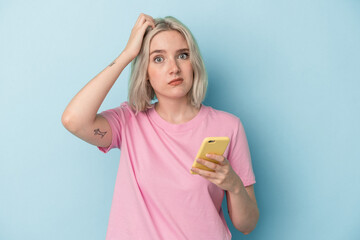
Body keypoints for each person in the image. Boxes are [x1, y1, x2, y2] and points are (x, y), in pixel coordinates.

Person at [61, 13, 259, 240]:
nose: (174, 68)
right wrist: (128, 54)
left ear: (193, 63)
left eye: (182, 55)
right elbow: (73, 120)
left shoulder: (228, 126)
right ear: (144, 72)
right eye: (158, 59)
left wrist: (234, 185)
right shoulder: (129, 121)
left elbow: (247, 225)